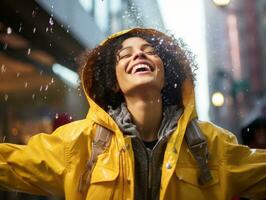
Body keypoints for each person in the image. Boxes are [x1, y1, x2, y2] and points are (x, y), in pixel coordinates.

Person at [0, 28, 266, 200]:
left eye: (149, 51)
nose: (139, 54)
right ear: (113, 81)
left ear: (167, 73)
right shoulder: (78, 142)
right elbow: (10, 163)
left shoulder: (212, 144)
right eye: (125, 55)